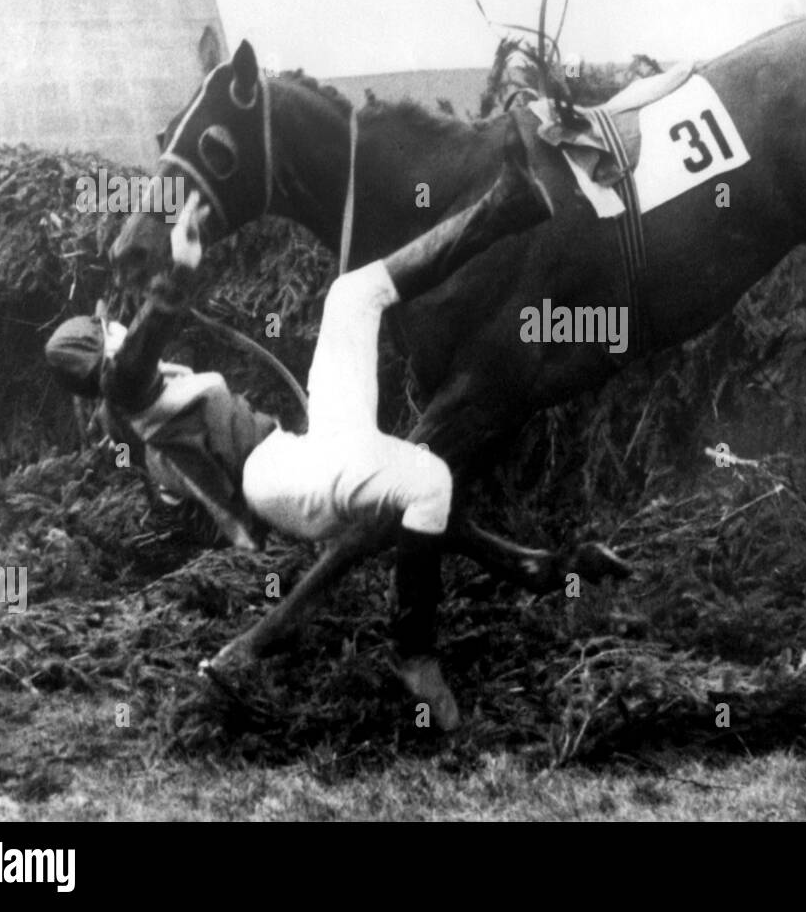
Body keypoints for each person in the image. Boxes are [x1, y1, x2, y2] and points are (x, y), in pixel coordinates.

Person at [44, 122, 565, 724]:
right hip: (284, 485)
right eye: (109, 331)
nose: (120, 326)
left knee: (352, 294)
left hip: (305, 450)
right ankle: (413, 653)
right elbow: (138, 351)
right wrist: (179, 273)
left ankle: (505, 206)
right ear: (102, 354)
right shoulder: (124, 387)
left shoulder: (138, 384)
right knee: (429, 483)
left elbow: (142, 353)